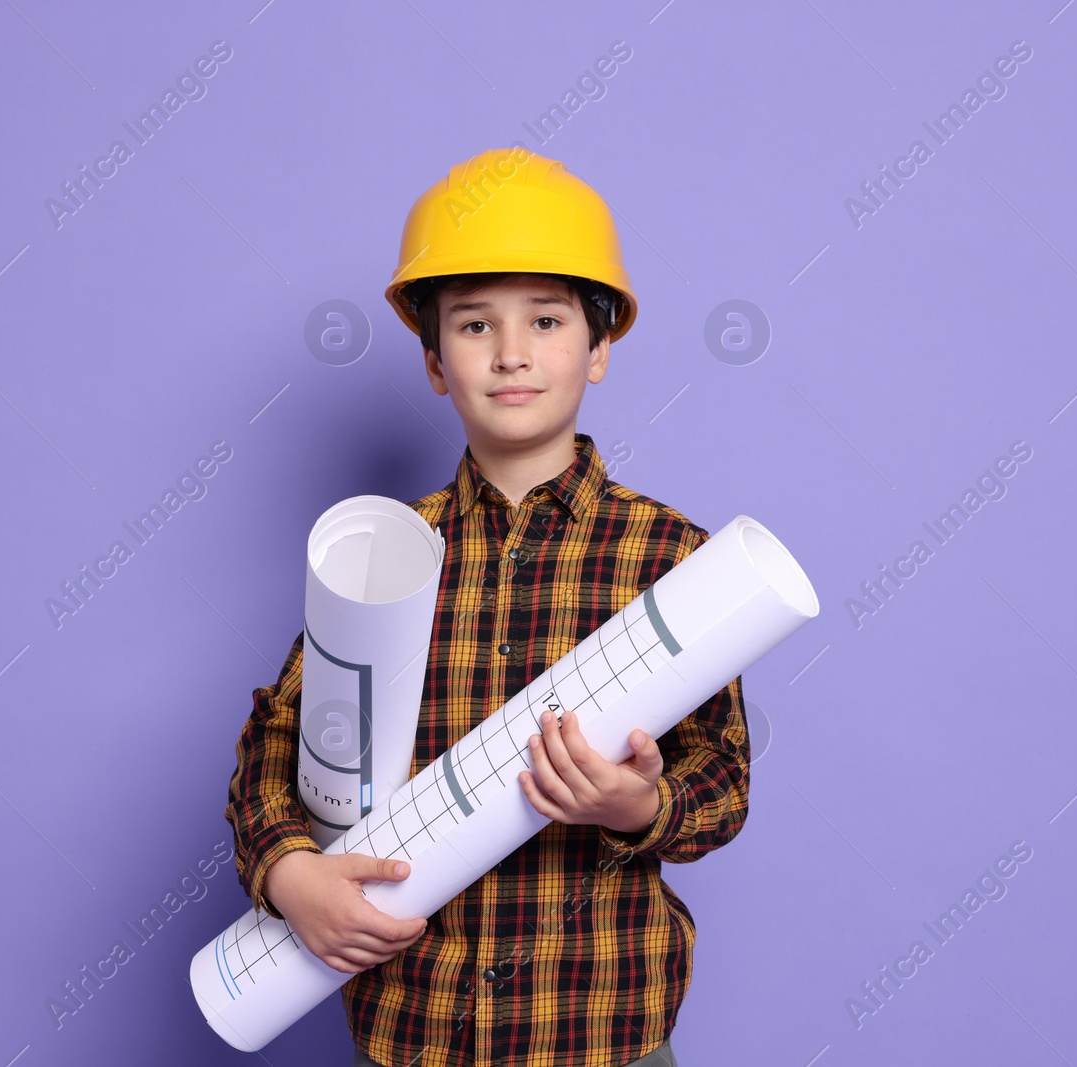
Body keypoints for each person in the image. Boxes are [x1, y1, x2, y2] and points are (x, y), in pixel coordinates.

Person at [224, 147, 749, 1067]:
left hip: (599, 1031)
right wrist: (289, 871)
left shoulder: (671, 561)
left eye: (546, 320)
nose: (511, 353)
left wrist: (640, 803)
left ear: (600, 349)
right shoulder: (381, 554)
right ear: (432, 361)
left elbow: (723, 781)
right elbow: (279, 740)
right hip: (416, 1031)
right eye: (473, 326)